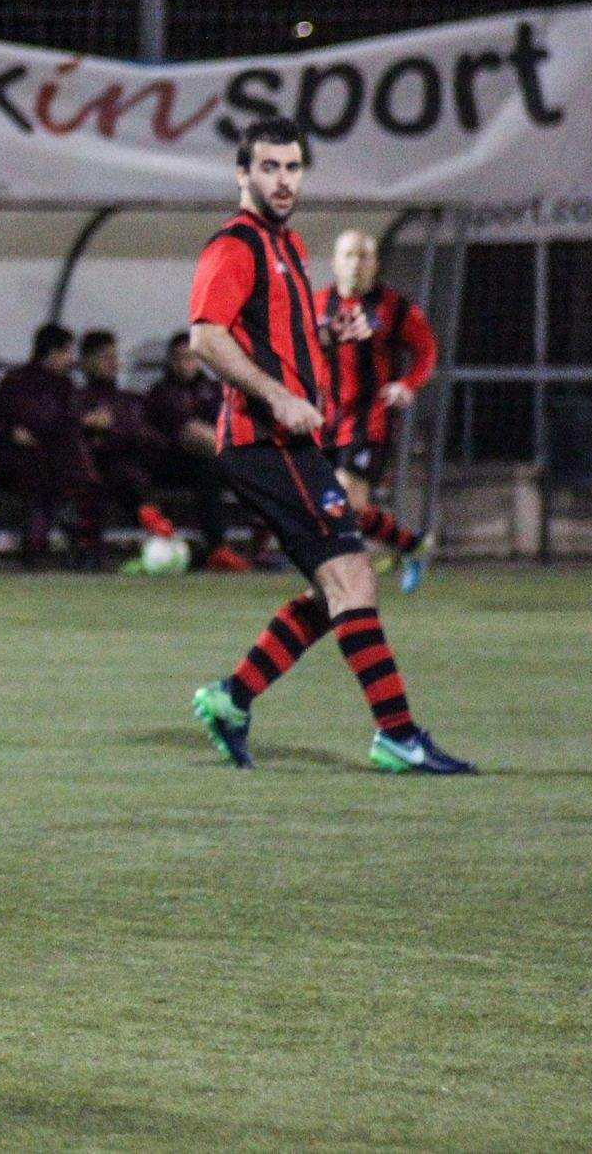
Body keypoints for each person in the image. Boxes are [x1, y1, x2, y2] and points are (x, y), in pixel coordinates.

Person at [185, 115, 470, 774]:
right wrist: (277, 395)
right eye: (269, 167)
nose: (283, 180)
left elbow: (280, 339)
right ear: (242, 174)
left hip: (289, 440)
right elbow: (206, 336)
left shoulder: (287, 245)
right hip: (264, 439)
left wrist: (327, 345)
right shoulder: (235, 244)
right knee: (351, 575)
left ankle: (232, 698)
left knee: (336, 584)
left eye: (292, 168)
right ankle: (396, 733)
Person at [315, 229, 440, 593]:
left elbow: (426, 350)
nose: (356, 263)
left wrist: (406, 385)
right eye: (349, 255)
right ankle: (410, 544)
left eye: (363, 256)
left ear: (375, 264)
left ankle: (344, 578)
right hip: (325, 421)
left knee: (342, 500)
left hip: (369, 420)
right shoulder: (317, 305)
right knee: (337, 505)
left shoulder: (393, 307)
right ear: (336, 263)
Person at [0, 323, 95, 567]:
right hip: (19, 461)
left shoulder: (58, 385)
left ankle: (50, 549)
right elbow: (41, 424)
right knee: (46, 481)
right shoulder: (22, 383)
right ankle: (50, 550)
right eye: (67, 352)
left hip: (48, 461)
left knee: (64, 480)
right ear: (53, 352)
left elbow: (44, 427)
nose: (70, 359)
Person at [144, 331, 248, 571]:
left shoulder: (213, 389)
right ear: (170, 361)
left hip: (220, 459)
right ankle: (217, 548)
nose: (185, 363)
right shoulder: (162, 393)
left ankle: (266, 544)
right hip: (174, 464)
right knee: (209, 469)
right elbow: (190, 434)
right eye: (179, 358)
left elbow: (234, 423)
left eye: (190, 357)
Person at [74, 330, 179, 566]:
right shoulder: (76, 400)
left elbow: (154, 439)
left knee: (127, 471)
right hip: (94, 473)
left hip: (133, 470)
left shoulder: (130, 400)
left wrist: (111, 430)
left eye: (114, 356)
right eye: (104, 357)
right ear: (86, 362)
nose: (113, 363)